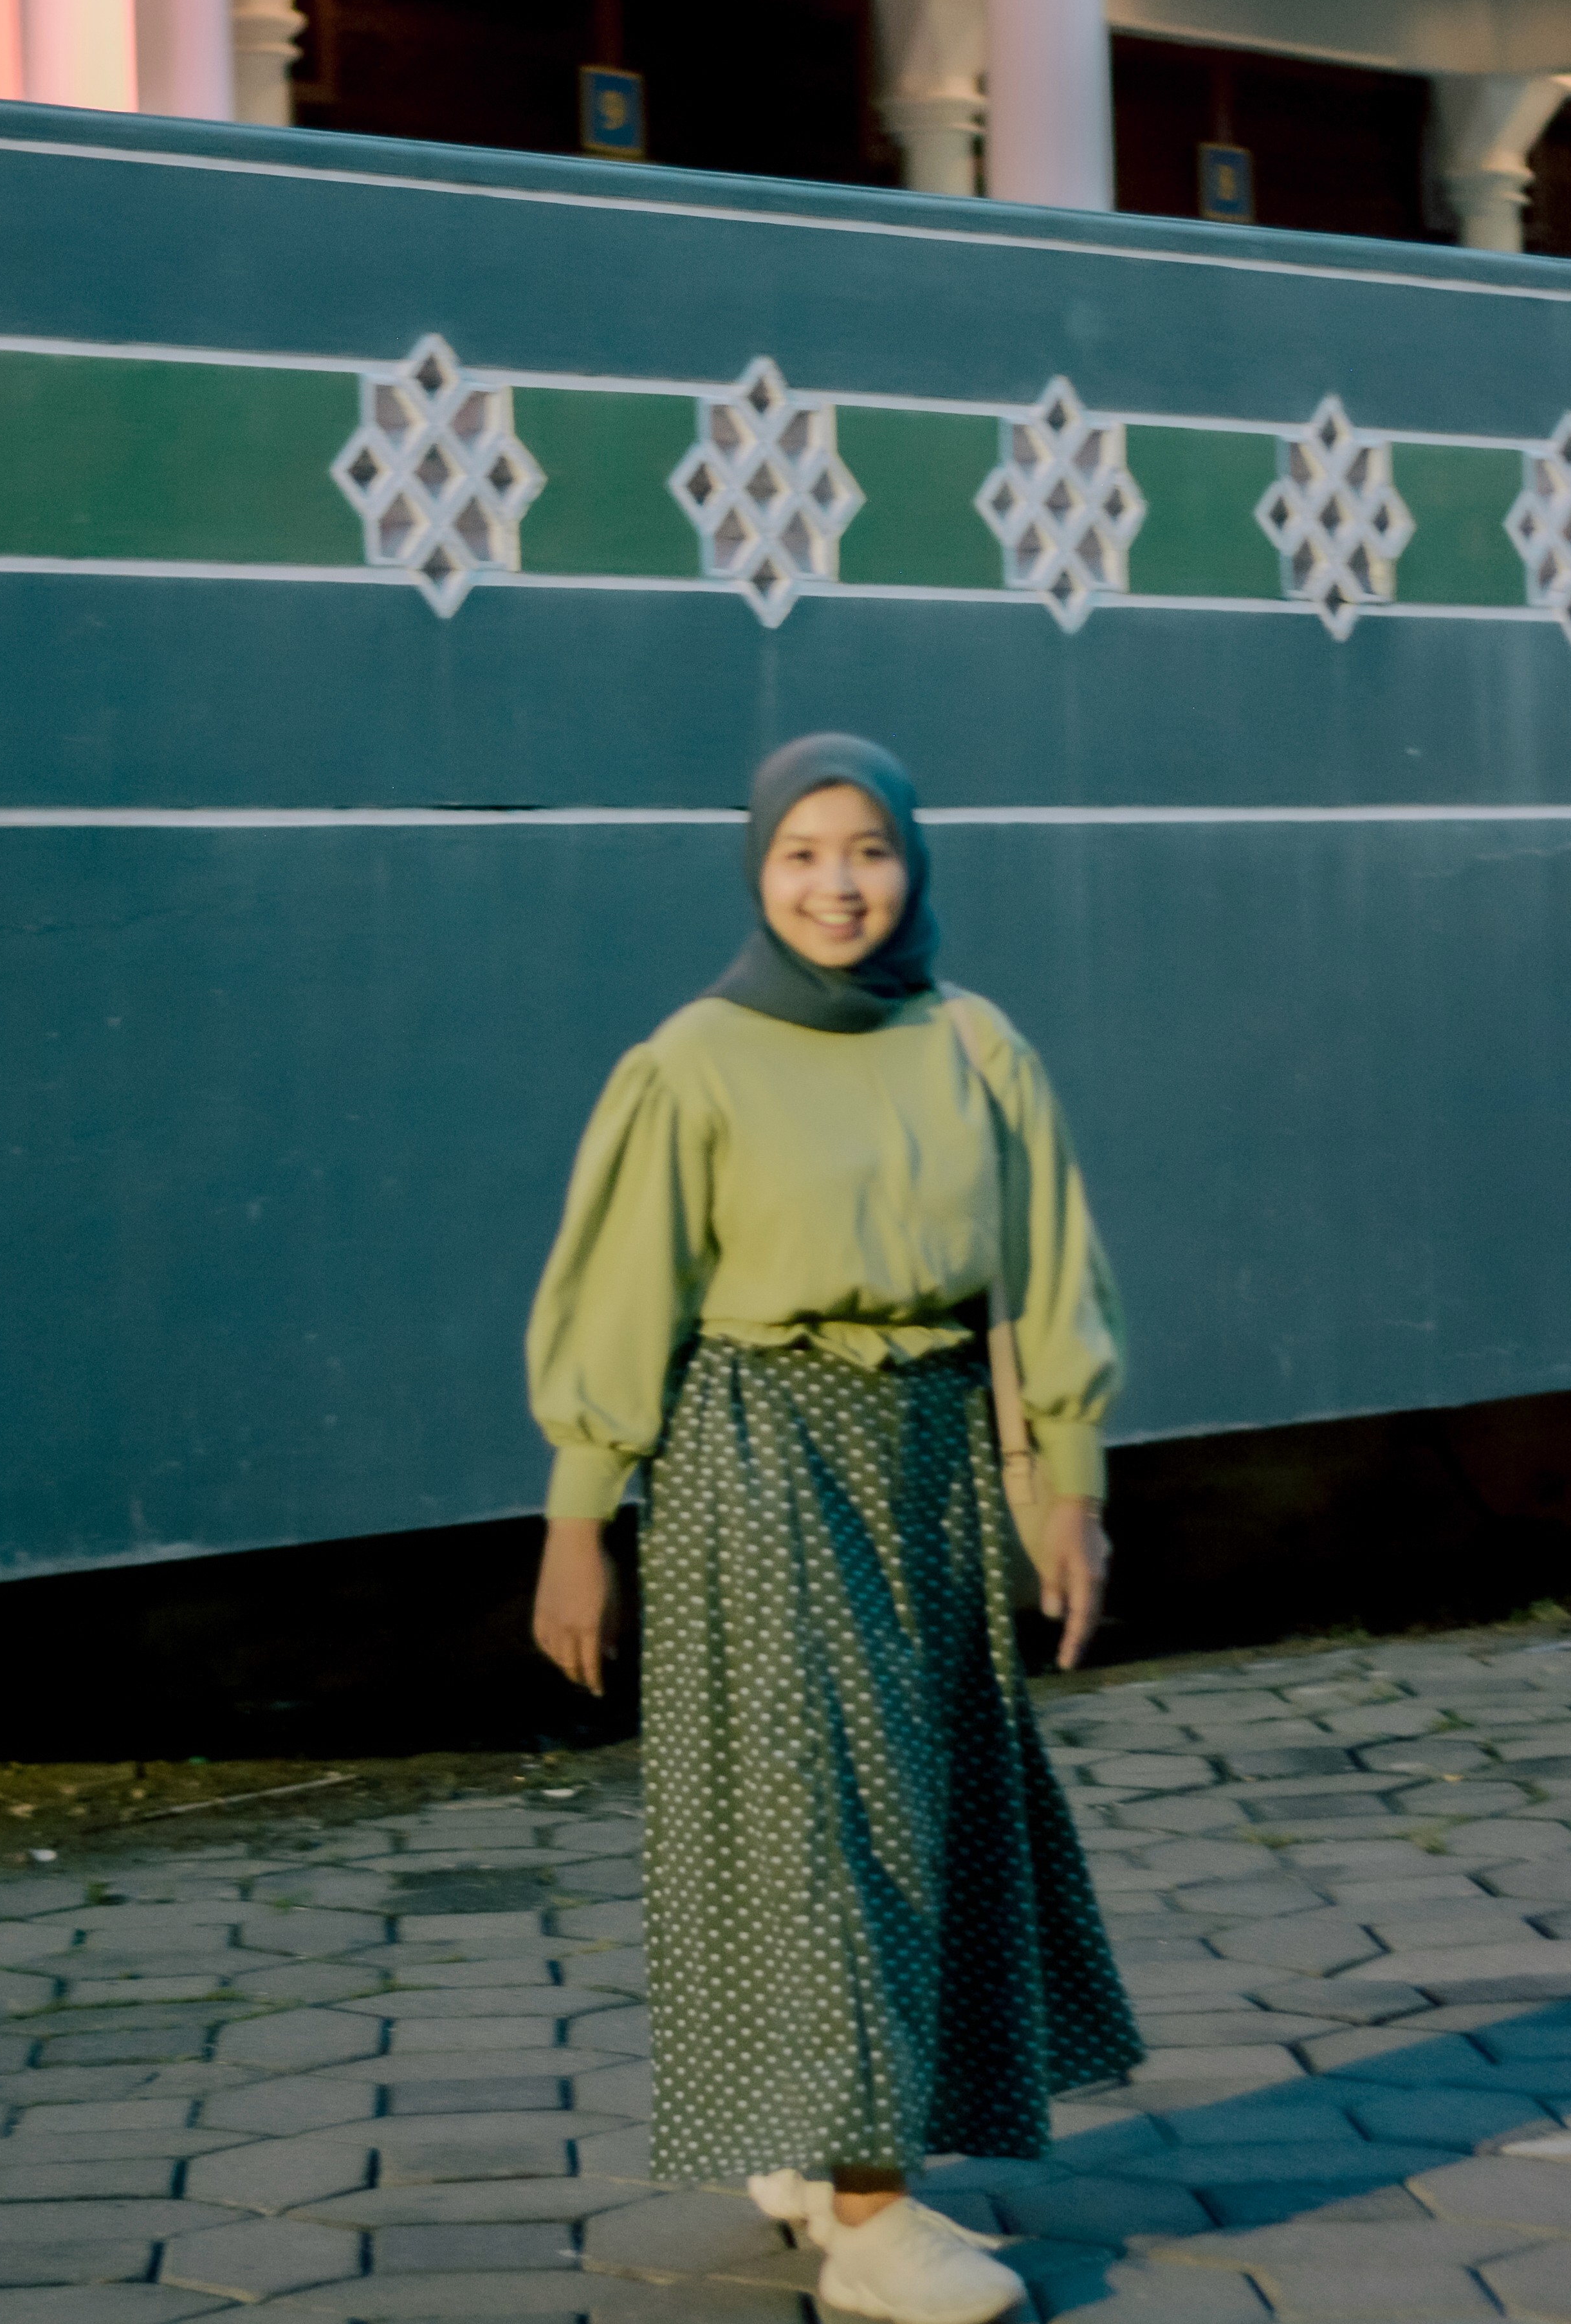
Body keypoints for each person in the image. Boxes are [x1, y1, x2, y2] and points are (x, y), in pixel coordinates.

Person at [528, 733, 1139, 2324]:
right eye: (803, 852)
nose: (838, 883)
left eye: (866, 848)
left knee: (922, 1806)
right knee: (820, 1817)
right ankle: (868, 2212)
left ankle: (814, 2135)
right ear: (757, 870)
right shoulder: (696, 1059)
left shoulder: (976, 1042)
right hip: (761, 1449)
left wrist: (1067, 1487)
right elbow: (620, 1295)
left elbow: (1053, 1269)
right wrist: (579, 1517)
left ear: (913, 861)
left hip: (934, 1453)